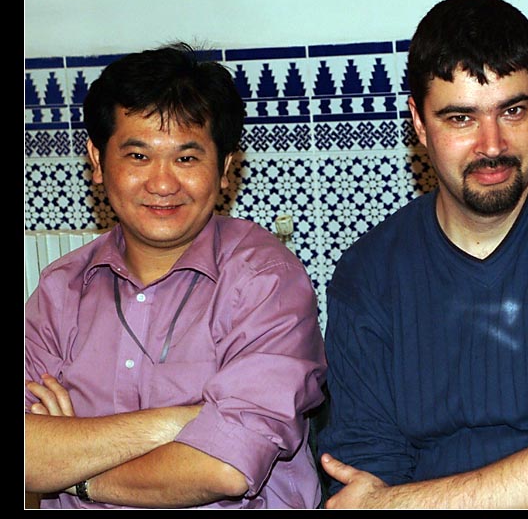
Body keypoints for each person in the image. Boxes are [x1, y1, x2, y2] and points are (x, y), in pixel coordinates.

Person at [318, 0, 528, 509]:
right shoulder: (368, 273)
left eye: (513, 111)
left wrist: (393, 505)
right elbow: (362, 473)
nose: (492, 145)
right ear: (419, 123)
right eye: (461, 118)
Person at [25, 42, 328, 509]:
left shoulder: (265, 281)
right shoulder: (61, 288)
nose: (163, 183)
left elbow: (224, 467)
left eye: (186, 158)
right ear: (97, 162)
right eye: (138, 156)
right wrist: (178, 422)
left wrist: (73, 474)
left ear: (225, 168)